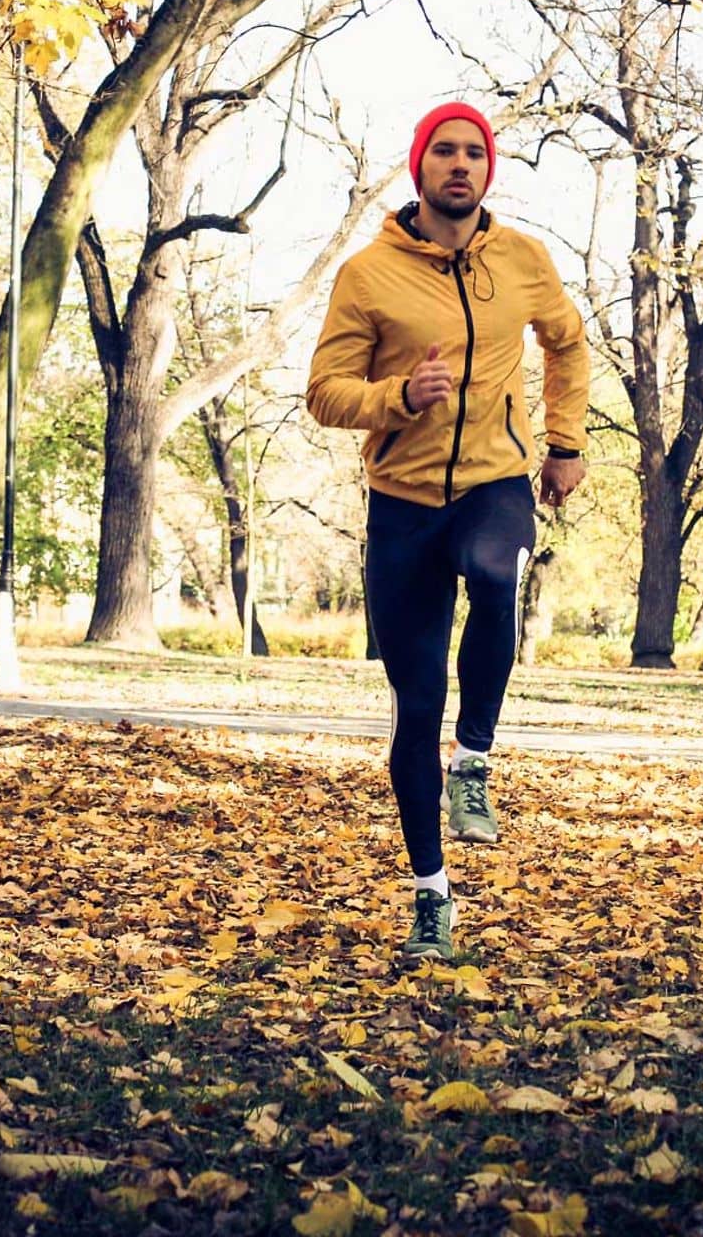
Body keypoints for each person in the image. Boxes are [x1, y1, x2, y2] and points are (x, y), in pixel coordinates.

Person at [306, 101, 589, 960]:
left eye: (474, 153)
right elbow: (324, 392)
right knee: (412, 703)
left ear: (488, 169)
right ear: (418, 166)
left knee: (498, 571)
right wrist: (398, 398)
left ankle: (475, 756)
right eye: (444, 152)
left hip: (496, 481)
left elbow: (567, 346)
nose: (460, 165)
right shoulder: (368, 275)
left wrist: (567, 442)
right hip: (401, 502)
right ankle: (431, 891)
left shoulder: (523, 260)